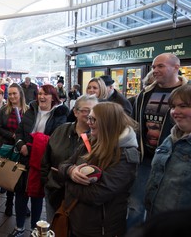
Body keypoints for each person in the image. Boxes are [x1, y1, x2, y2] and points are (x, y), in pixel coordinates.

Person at [58, 102, 139, 237]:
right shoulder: (92, 140)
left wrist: (68, 182)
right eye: (89, 118)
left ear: (108, 122)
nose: (89, 122)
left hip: (100, 230)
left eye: (93, 119)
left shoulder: (126, 155)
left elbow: (96, 195)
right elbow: (63, 166)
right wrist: (71, 171)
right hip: (76, 222)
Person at [128, 53, 187, 230]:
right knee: (135, 207)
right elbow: (136, 123)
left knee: (167, 209)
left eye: (160, 66)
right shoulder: (144, 94)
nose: (155, 70)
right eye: (154, 67)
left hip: (176, 160)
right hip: (146, 159)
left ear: (176, 67)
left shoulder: (186, 95)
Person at [9, 84, 68, 237]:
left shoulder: (60, 114)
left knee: (37, 196)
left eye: (46, 94)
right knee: (20, 194)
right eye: (40, 93)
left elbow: (56, 138)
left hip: (42, 161)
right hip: (24, 157)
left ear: (53, 97)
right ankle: (19, 227)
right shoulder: (32, 109)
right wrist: (21, 144)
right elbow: (20, 130)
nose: (41, 97)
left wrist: (34, 147)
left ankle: (36, 229)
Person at [40, 94, 99, 223]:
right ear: (75, 112)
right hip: (55, 191)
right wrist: (47, 182)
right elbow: (46, 159)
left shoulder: (99, 137)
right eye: (86, 110)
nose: (90, 114)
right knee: (55, 226)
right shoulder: (61, 130)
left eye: (94, 110)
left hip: (81, 198)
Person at [144, 82, 191, 218]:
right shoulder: (170, 138)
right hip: (157, 219)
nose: (175, 112)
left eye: (183, 106)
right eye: (172, 106)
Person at [0, 83, 28, 215]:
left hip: (22, 147)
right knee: (9, 175)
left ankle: (23, 205)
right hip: (7, 146)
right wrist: (12, 135)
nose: (12, 96)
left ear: (20, 94)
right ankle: (9, 204)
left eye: (15, 93)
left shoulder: (28, 110)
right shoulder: (4, 109)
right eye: (10, 93)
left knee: (21, 176)